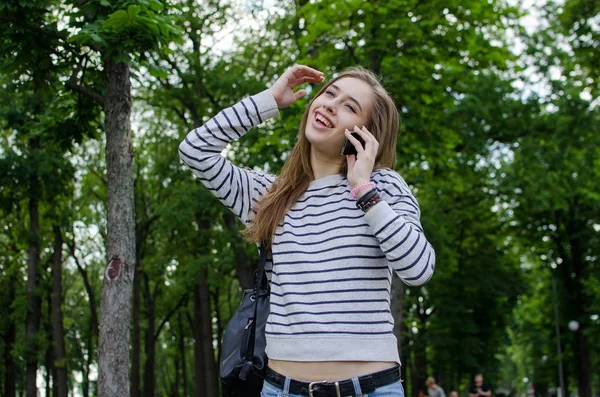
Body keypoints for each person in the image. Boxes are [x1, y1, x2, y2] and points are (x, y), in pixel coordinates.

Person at [179, 64, 436, 397]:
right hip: (281, 389)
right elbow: (195, 150)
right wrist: (269, 100)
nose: (330, 104)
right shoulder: (268, 196)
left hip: (369, 389)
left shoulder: (381, 186)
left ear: (365, 134)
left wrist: (362, 188)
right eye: (329, 93)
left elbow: (418, 269)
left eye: (350, 106)